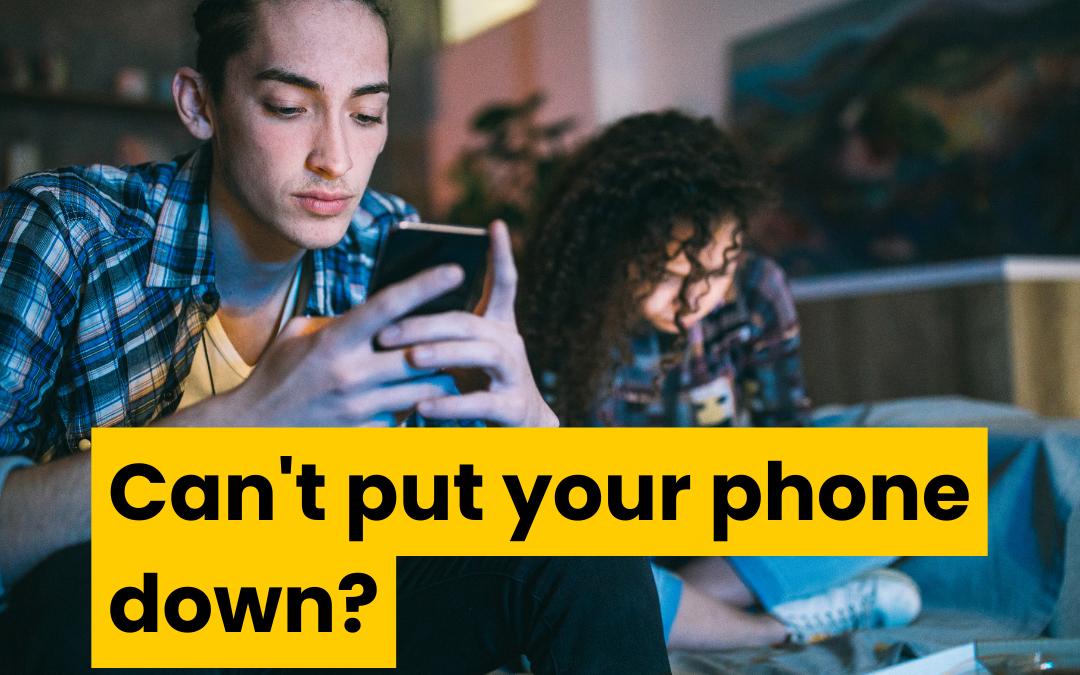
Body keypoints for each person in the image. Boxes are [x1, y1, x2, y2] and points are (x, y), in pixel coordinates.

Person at [0, 1, 671, 673]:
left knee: (583, 543)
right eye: (290, 108)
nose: (337, 159)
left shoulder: (384, 240)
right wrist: (246, 422)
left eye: (366, 114)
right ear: (200, 104)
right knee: (84, 588)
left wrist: (533, 426)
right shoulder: (67, 229)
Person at [518, 110, 921, 649]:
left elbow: (789, 435)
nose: (693, 302)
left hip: (724, 520)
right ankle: (763, 621)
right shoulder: (558, 316)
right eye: (670, 277)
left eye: (715, 272)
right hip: (613, 528)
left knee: (909, 489)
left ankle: (667, 611)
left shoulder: (758, 290)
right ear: (611, 257)